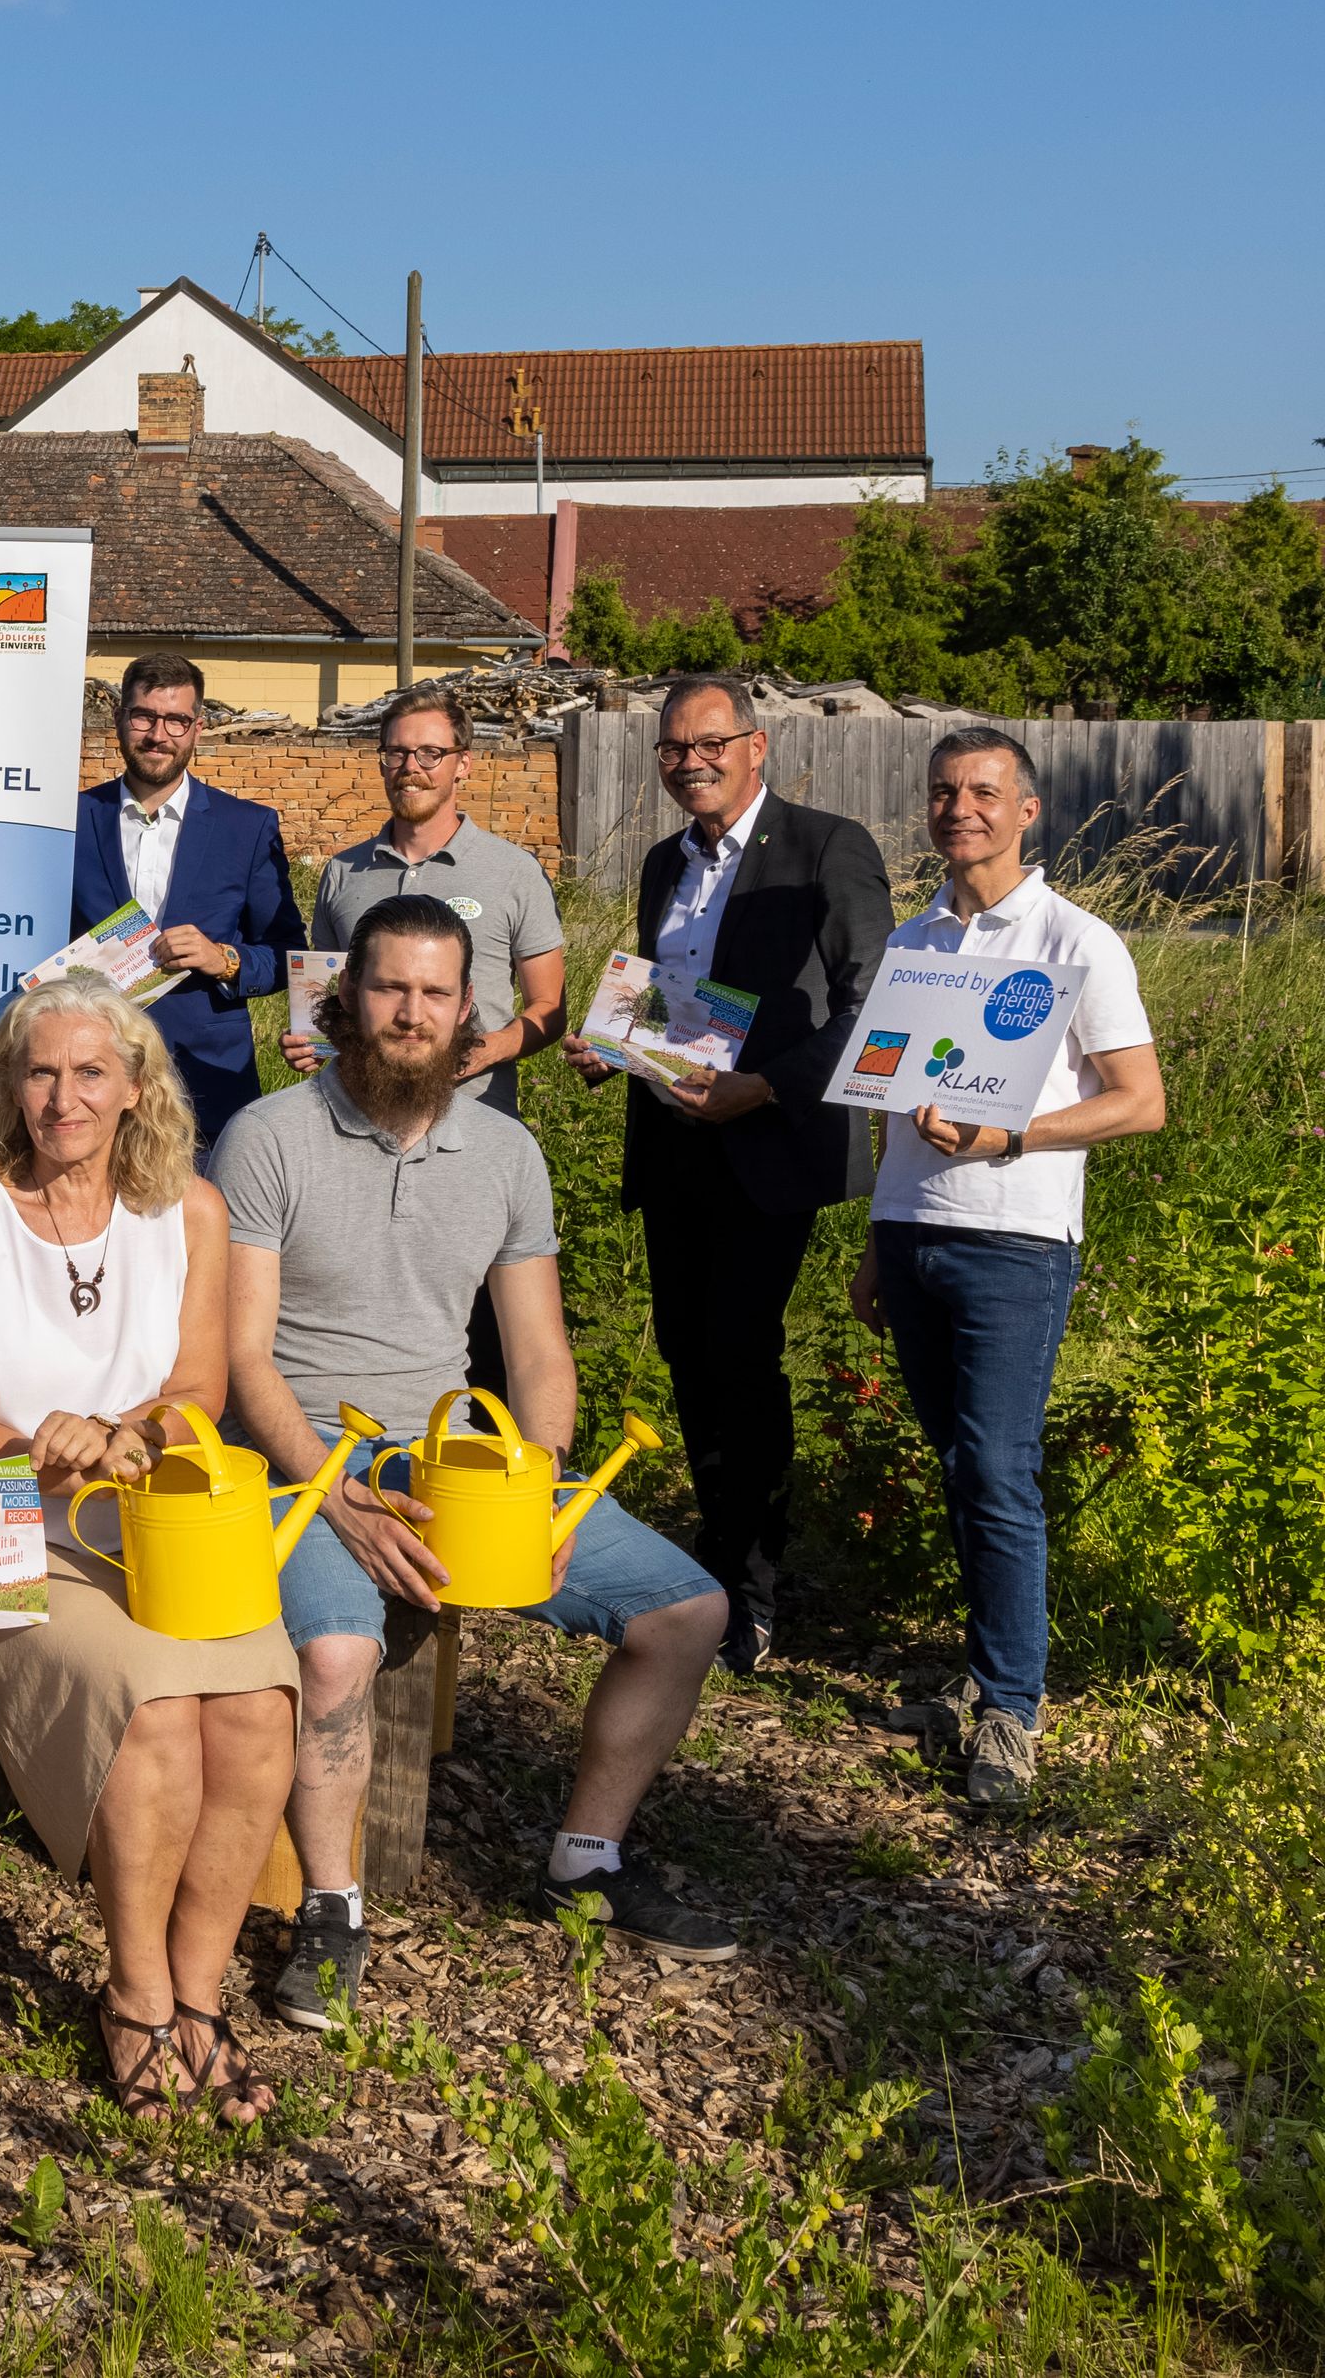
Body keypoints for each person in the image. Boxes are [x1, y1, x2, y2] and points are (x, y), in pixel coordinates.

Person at [229, 897, 736, 2030]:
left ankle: (586, 1857)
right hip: (302, 1458)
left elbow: (539, 1351)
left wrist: (540, 1486)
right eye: (388, 988)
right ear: (344, 997)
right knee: (338, 1654)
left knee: (688, 1611)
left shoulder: (506, 1150)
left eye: (435, 993)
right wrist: (343, 1498)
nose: (411, 1014)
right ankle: (331, 1906)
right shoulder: (267, 1135)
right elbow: (240, 1360)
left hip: (458, 1453)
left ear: (472, 1010)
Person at [0, 977, 293, 2126]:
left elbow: (201, 1392)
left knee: (257, 1701)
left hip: (156, 1516)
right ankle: (132, 1995)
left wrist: (127, 1433)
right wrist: (41, 1445)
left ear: (135, 1088)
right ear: (6, 1083)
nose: (62, 1096)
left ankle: (198, 1995)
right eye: (39, 1071)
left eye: (90, 1073)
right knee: (155, 1705)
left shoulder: (187, 1210)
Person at [852, 727, 1164, 1806]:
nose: (959, 809)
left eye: (982, 792)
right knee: (957, 1463)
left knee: (995, 1467)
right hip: (913, 1233)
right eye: (943, 792)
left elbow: (1139, 1099)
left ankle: (1014, 1712)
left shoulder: (1078, 942)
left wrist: (1011, 1139)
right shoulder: (914, 939)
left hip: (1013, 1240)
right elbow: (894, 1103)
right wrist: (874, 1241)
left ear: (1025, 809)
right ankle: (979, 1671)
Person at [558, 670, 890, 1675]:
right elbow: (673, 1001)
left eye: (709, 743)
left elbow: (871, 1004)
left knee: (740, 1357)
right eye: (671, 748)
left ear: (756, 746)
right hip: (674, 1146)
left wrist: (769, 1089)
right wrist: (614, 1043)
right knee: (690, 1358)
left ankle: (752, 1592)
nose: (689, 762)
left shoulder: (827, 847)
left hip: (768, 1146)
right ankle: (712, 1560)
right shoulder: (666, 861)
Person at [287, 684, 571, 1404]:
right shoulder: (345, 873)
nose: (410, 767)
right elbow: (329, 996)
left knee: (484, 1335)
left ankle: (483, 1484)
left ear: (463, 765)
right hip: (355, 1138)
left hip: (471, 1137)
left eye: (430, 753)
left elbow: (551, 1006)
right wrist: (315, 1045)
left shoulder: (513, 871)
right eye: (396, 752)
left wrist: (494, 1047)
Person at [72, 653, 303, 1151]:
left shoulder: (247, 828)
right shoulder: (71, 822)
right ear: (119, 720)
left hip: (205, 1076)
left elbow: (288, 953)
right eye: (144, 717)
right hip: (89, 1070)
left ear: (197, 728)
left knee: (202, 1226)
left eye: (176, 720)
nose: (159, 735)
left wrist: (226, 959)